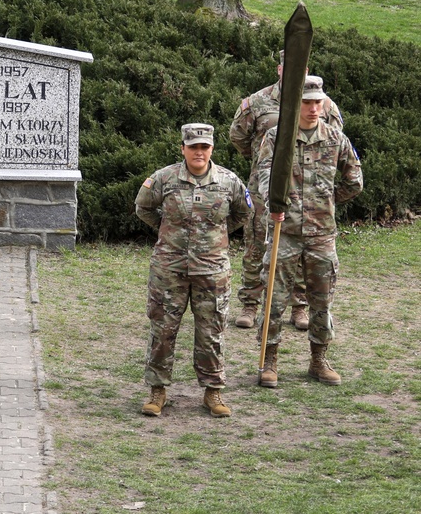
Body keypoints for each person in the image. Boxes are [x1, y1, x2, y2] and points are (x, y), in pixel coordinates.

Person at [134, 123, 252, 418]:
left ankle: (213, 392)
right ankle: (157, 390)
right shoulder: (164, 178)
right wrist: (168, 231)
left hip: (212, 270)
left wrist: (215, 236)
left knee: (211, 331)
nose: (199, 152)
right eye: (193, 147)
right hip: (169, 268)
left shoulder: (228, 181)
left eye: (204, 147)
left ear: (212, 148)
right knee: (162, 330)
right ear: (183, 148)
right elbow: (144, 208)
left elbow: (242, 213)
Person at [256, 76, 362, 388]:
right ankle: (269, 362)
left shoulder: (334, 137)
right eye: (307, 102)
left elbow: (354, 179)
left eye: (318, 102)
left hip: (321, 234)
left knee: (322, 300)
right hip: (284, 231)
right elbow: (263, 173)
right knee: (274, 299)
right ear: (295, 103)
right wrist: (274, 200)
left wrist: (327, 200)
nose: (314, 108)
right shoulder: (278, 137)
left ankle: (319, 360)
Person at [229, 50, 343, 331]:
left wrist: (324, 192)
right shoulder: (257, 102)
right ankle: (250, 303)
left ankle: (300, 306)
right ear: (280, 70)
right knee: (257, 243)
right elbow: (238, 137)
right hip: (263, 189)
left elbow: (336, 144)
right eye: (289, 67)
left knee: (304, 248)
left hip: (309, 194)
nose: (295, 72)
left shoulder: (324, 105)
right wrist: (261, 160)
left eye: (301, 68)